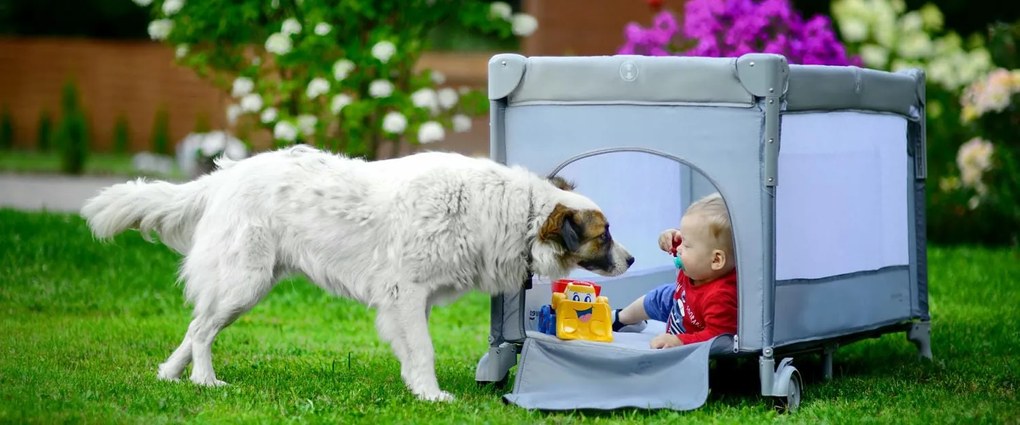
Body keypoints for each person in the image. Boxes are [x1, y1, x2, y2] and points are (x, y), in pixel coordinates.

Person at [611, 192, 738, 349]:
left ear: (716, 260)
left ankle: (626, 319)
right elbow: (684, 246)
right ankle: (622, 318)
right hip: (681, 301)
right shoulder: (701, 263)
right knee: (659, 297)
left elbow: (718, 338)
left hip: (691, 322)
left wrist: (679, 341)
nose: (678, 248)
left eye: (685, 244)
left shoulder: (721, 297)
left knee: (664, 297)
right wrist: (668, 237)